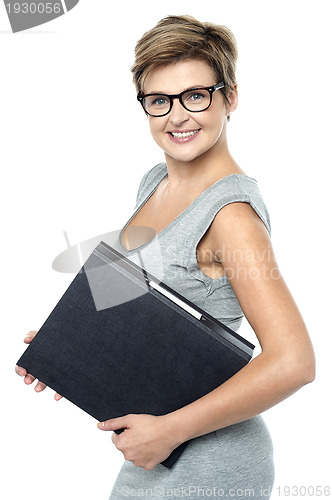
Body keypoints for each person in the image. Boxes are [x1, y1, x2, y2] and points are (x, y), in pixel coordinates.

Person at [16, 14, 316, 500]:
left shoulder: (231, 215)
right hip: (154, 450)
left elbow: (294, 362)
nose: (177, 116)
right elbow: (140, 297)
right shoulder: (155, 181)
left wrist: (172, 431)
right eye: (160, 101)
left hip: (211, 460)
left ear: (230, 96)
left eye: (195, 96)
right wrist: (67, 346)